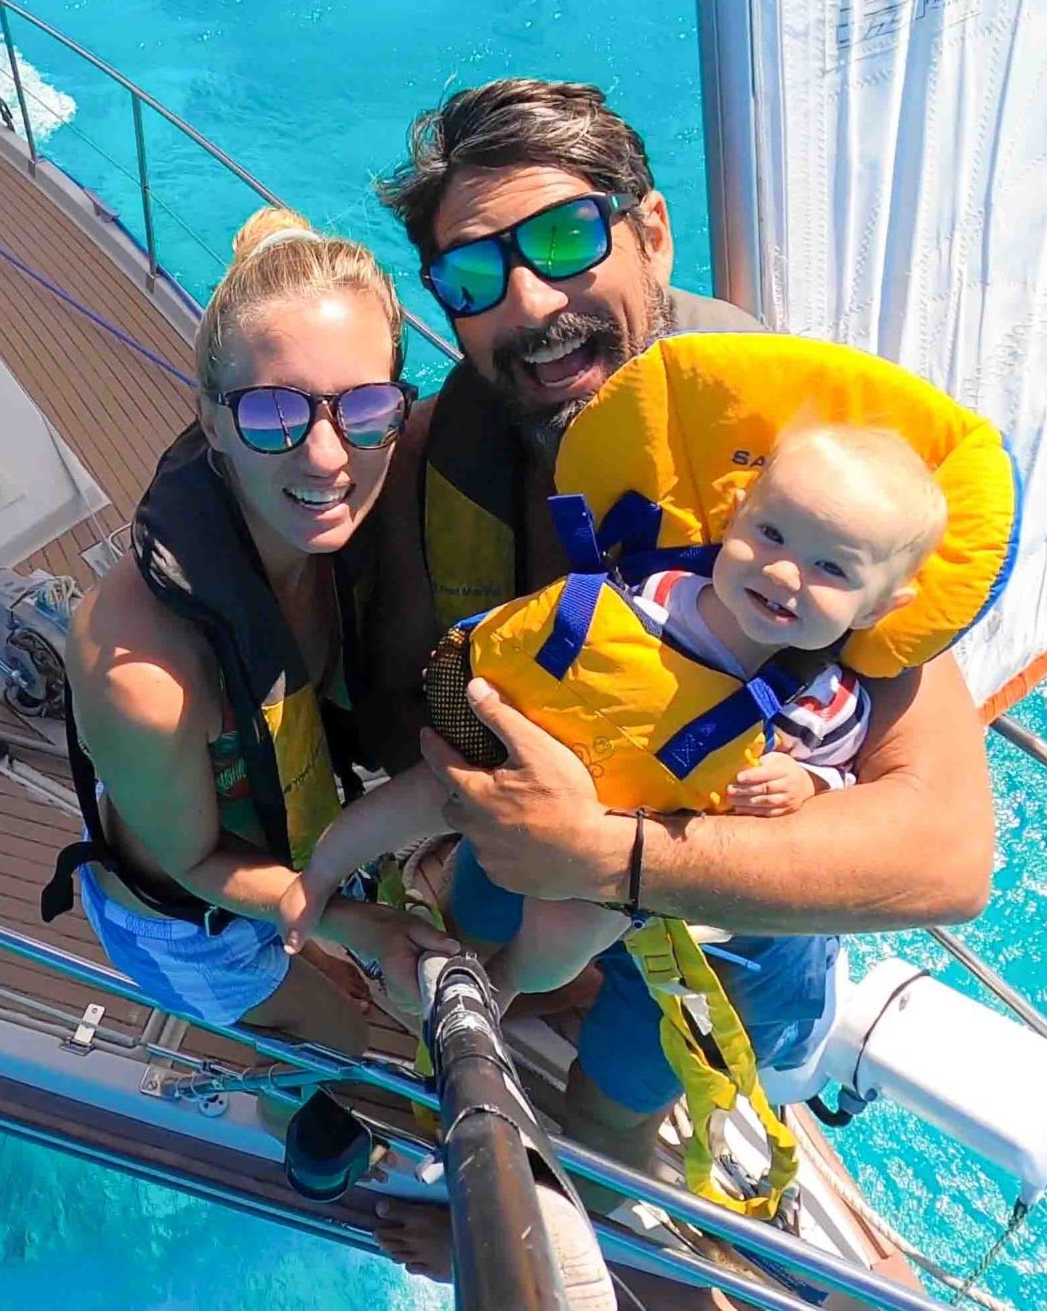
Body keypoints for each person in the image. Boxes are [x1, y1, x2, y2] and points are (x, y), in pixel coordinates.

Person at [361, 79, 995, 1201]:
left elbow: (948, 854)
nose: (527, 301)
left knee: (618, 1120)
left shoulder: (804, 481)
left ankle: (593, 1216)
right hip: (528, 894)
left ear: (650, 232)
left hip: (718, 918)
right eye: (471, 274)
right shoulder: (449, 443)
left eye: (564, 237)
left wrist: (608, 861)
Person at [280, 420, 947, 1012]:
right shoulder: (661, 584)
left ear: (876, 609)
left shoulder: (820, 701)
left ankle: (504, 985)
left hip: (620, 834)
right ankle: (318, 879)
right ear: (735, 516)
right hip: (519, 761)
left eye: (830, 567)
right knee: (414, 798)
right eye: (771, 533)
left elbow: (839, 777)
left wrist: (804, 784)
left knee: (565, 942)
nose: (784, 573)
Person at [46, 208, 456, 1083]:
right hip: (187, 920)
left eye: (365, 407)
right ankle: (291, 1120)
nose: (326, 457)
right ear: (211, 418)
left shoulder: (346, 530)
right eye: (273, 412)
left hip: (285, 852)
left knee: (339, 986)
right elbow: (192, 863)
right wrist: (354, 923)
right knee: (333, 1043)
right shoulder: (143, 671)